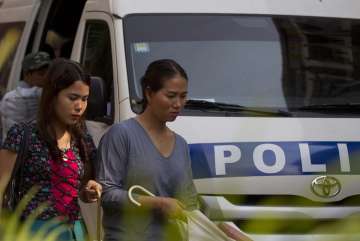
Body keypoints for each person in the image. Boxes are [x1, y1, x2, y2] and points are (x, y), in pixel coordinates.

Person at [0, 58, 102, 241]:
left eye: (84, 99)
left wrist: (89, 191)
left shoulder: (82, 139)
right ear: (52, 96)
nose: (79, 106)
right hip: (33, 233)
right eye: (72, 98)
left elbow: (82, 188)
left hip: (73, 231)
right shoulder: (23, 135)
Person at [96, 59, 197, 241]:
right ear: (149, 94)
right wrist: (158, 204)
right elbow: (107, 193)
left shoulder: (181, 144)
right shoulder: (121, 135)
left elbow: (189, 203)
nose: (178, 104)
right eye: (171, 95)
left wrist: (222, 228)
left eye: (183, 96)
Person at [0, 51, 51, 141]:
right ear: (28, 74)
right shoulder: (13, 99)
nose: (46, 77)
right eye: (41, 74)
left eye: (48, 74)